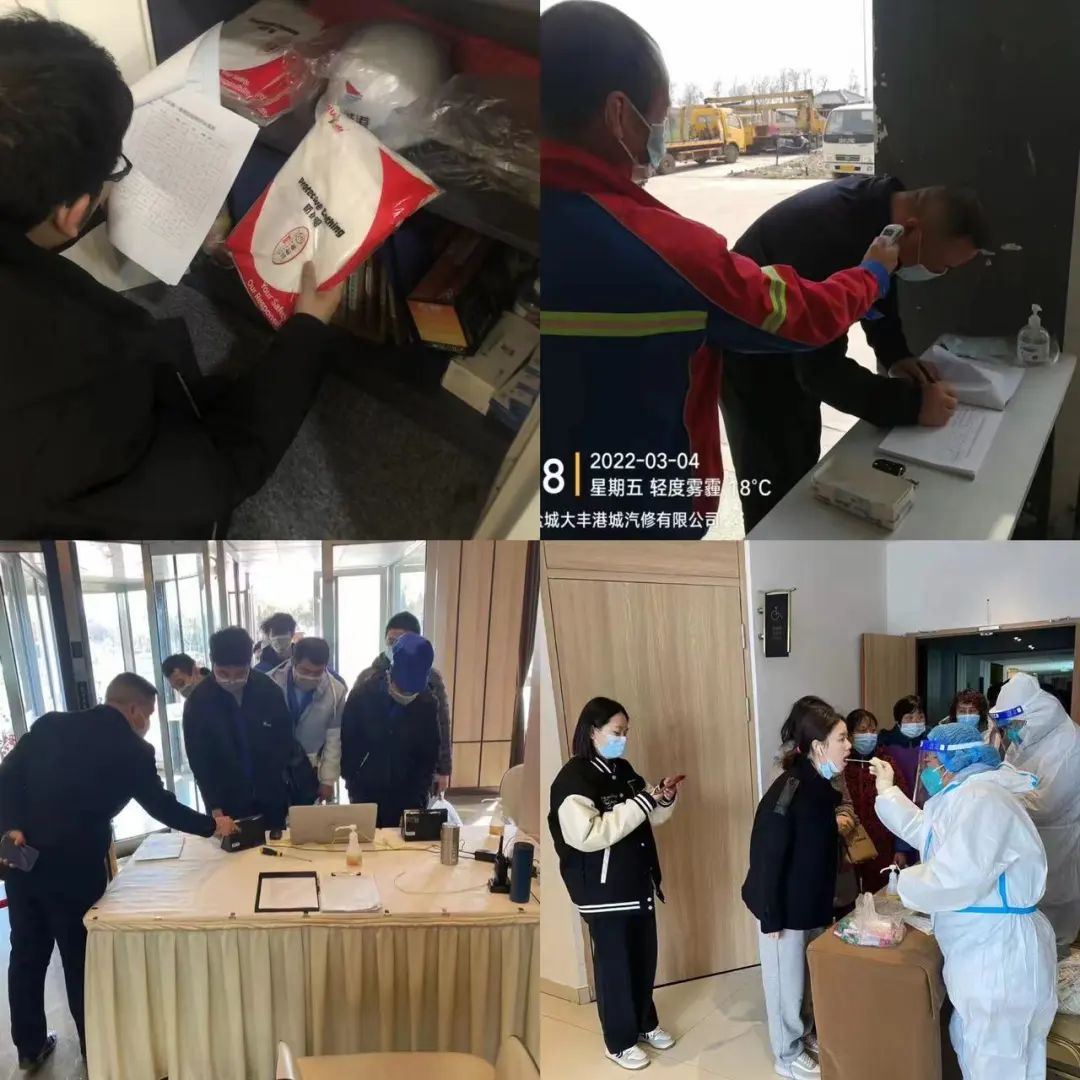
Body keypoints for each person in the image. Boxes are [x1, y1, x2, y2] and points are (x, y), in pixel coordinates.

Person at [540, 1, 901, 538]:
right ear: (618, 114)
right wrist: (872, 274)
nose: (658, 137)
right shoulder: (667, 251)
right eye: (657, 120)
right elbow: (801, 316)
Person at [0, 12, 347, 537]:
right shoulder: (80, 389)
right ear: (71, 212)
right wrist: (308, 333)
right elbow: (213, 476)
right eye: (114, 169)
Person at [0, 673, 237, 1068]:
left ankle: (29, 1046)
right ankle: (95, 1050)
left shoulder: (50, 723)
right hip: (75, 868)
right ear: (134, 709)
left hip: (21, 856)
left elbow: (6, 777)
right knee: (79, 958)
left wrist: (8, 828)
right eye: (148, 714)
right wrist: (214, 826)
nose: (147, 722)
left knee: (26, 951)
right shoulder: (133, 750)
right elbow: (162, 807)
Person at [721, 180, 985, 530]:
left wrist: (896, 355)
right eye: (941, 266)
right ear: (914, 230)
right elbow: (821, 371)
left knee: (802, 463)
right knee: (774, 492)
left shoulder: (887, 216)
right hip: (751, 359)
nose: (940, 274)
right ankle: (766, 558)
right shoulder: (831, 239)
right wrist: (913, 406)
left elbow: (879, 288)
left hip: (793, 347)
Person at [870, 721, 1057, 1079]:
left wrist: (903, 883)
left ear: (951, 761)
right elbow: (929, 833)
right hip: (989, 946)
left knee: (996, 1060)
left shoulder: (983, 800)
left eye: (929, 763)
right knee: (988, 1051)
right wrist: (888, 792)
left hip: (999, 958)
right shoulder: (966, 794)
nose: (925, 770)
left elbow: (955, 877)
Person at [548, 697, 683, 1071]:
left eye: (626, 732)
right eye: (616, 731)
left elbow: (647, 815)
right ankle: (619, 1042)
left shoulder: (622, 770)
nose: (623, 739)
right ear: (593, 731)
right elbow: (587, 835)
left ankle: (644, 1023)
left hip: (636, 882)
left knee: (642, 958)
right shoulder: (573, 779)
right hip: (603, 890)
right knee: (615, 968)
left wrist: (663, 798)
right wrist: (642, 802)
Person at [743, 696, 853, 1080]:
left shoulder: (821, 787)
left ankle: (803, 1033)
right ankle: (786, 1054)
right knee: (785, 986)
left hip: (812, 904)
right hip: (783, 909)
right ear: (819, 746)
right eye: (842, 739)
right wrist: (771, 916)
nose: (849, 746)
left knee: (805, 982)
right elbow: (767, 857)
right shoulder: (789, 790)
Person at [990, 672, 1080, 958]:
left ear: (1033, 714)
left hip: (1058, 838)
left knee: (1055, 905)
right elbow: (1006, 772)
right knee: (1029, 902)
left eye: (1014, 724)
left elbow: (1046, 805)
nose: (1011, 732)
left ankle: (1059, 957)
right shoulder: (1026, 738)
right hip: (1025, 835)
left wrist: (1002, 796)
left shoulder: (1069, 742)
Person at [182, 626, 294, 829]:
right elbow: (199, 760)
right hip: (227, 800)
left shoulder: (268, 690)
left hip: (270, 794)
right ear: (212, 661)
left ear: (249, 663)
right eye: (223, 673)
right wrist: (214, 805)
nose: (232, 680)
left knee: (276, 846)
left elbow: (284, 739)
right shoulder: (199, 701)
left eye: (240, 673)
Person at [340, 632, 441, 827]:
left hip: (409, 792)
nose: (406, 693)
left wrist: (421, 794)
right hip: (366, 790)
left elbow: (428, 754)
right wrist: (352, 780)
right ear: (391, 671)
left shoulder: (426, 703)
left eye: (412, 690)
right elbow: (348, 743)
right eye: (402, 687)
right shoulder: (362, 696)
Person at [354, 612, 453, 793]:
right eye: (391, 642)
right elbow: (354, 725)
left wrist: (443, 769)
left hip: (416, 766)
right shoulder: (367, 676)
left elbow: (442, 723)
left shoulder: (431, 678)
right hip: (374, 768)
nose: (395, 648)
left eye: (402, 642)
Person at [843, 708, 913, 894]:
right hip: (848, 844)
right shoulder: (842, 766)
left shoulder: (886, 764)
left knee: (881, 895)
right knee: (849, 897)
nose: (869, 735)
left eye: (873, 730)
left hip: (883, 845)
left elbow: (902, 805)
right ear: (850, 735)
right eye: (862, 730)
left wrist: (901, 848)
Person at [268, 636, 346, 804]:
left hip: (309, 768)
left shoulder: (336, 692)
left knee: (305, 817)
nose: (310, 676)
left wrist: (327, 780)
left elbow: (334, 738)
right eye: (304, 671)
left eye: (317, 672)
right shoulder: (270, 683)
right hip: (273, 764)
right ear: (293, 662)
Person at [875, 694, 926, 867]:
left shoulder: (931, 744)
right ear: (898, 721)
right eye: (909, 718)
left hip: (925, 813)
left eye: (920, 717)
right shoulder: (885, 747)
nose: (916, 722)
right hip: (896, 813)